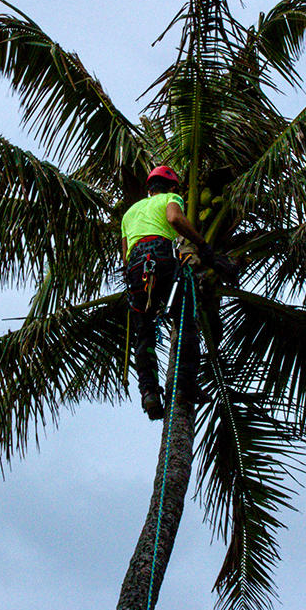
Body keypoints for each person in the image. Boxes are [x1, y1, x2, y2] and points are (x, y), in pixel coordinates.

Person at [120, 166, 207, 421]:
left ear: (149, 188)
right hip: (162, 257)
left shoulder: (129, 213)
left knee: (144, 332)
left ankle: (149, 392)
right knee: (186, 318)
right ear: (170, 187)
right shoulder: (170, 198)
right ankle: (184, 385)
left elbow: (124, 255)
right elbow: (174, 219)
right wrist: (202, 245)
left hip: (136, 270)